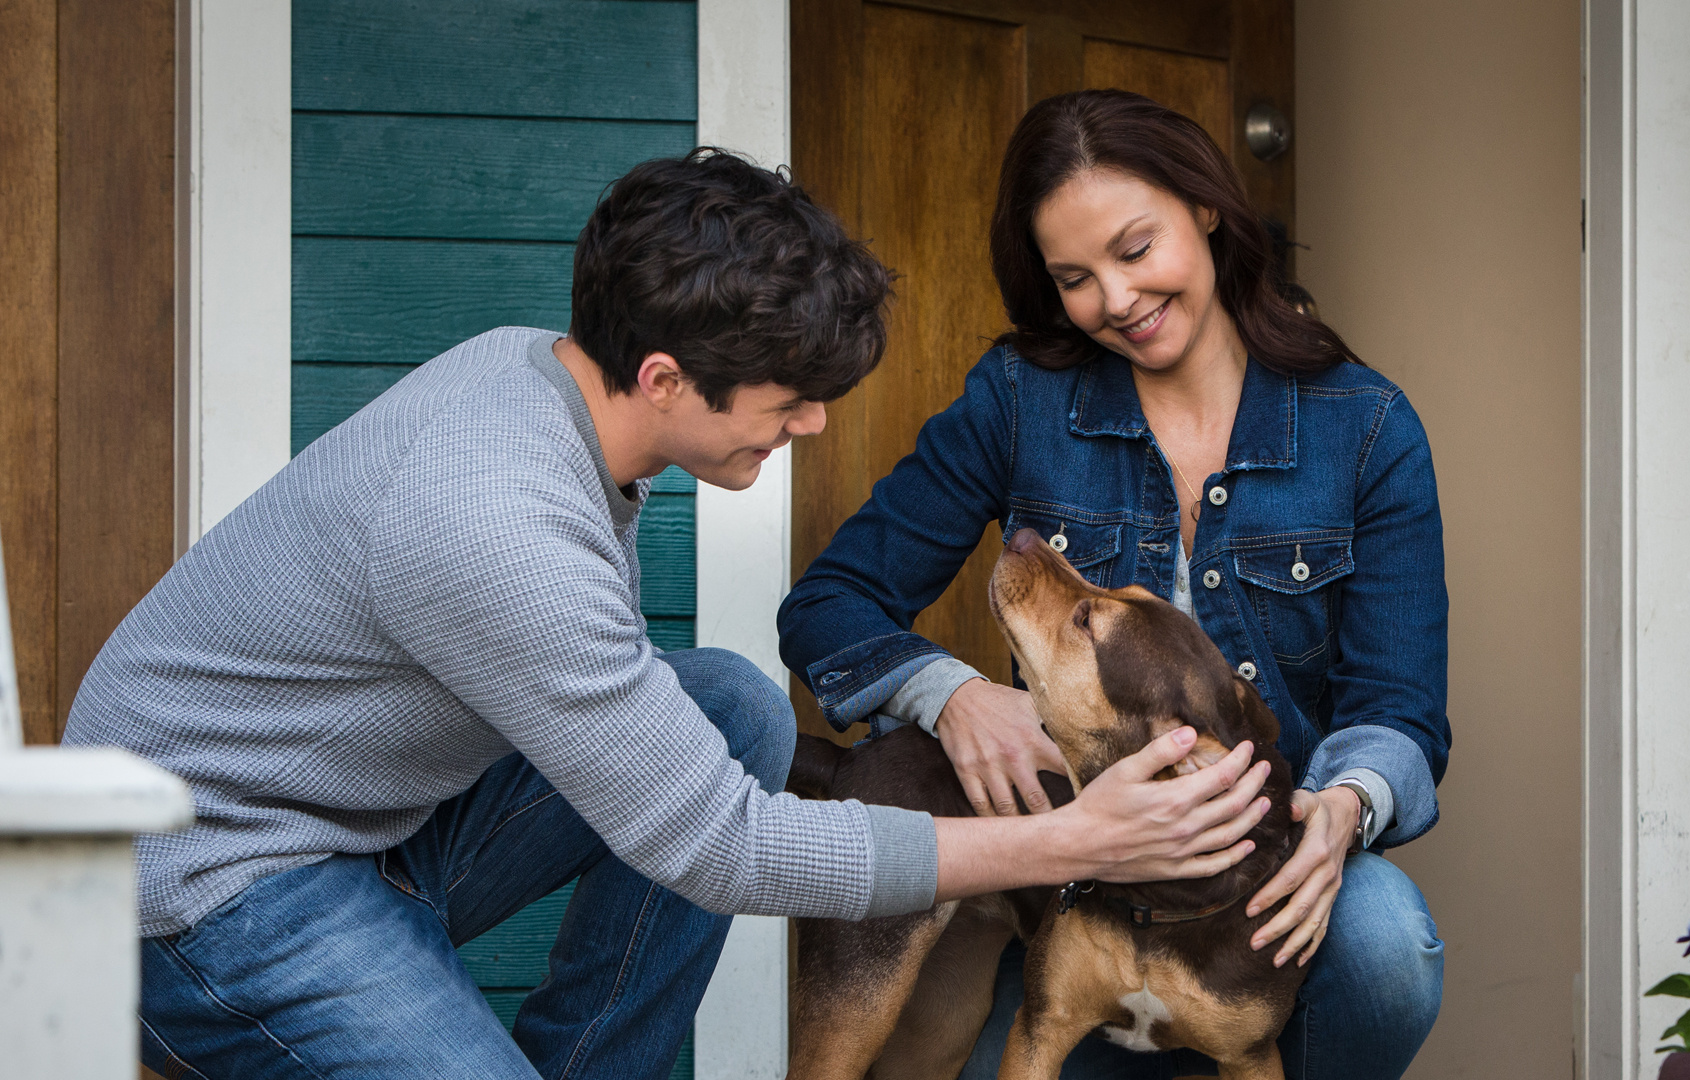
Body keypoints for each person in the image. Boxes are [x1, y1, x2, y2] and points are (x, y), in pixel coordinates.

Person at [61, 149, 1269, 1080]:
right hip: (211, 877)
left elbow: (676, 779)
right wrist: (1071, 844)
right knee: (713, 794)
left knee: (733, 708)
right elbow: (722, 850)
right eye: (791, 400)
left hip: (357, 821)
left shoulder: (535, 373)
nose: (811, 427)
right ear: (664, 379)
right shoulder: (495, 526)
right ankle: (213, 1015)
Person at [778, 91, 1449, 1079]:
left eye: (1136, 250)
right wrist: (952, 694)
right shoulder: (1021, 397)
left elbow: (1402, 712)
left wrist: (1346, 805)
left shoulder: (1368, 430)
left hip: (1250, 884)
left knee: (1388, 944)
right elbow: (830, 604)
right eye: (1075, 278)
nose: (1117, 300)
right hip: (1062, 884)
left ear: (1208, 209)